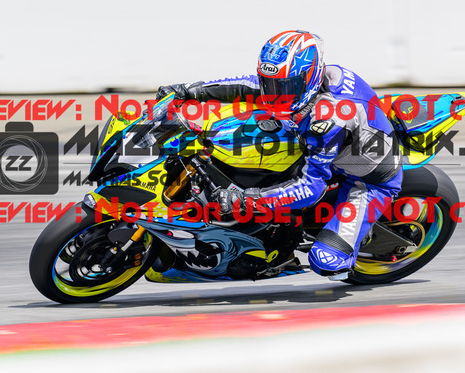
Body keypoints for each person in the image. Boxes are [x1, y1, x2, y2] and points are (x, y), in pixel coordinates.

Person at [156, 30, 403, 280]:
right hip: (331, 143)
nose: (274, 94)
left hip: (365, 179)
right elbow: (247, 85)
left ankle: (342, 244)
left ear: (309, 78)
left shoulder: (328, 119)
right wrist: (187, 91)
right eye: (271, 84)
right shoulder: (304, 83)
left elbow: (310, 188)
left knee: (326, 262)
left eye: (285, 87)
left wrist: (245, 200)